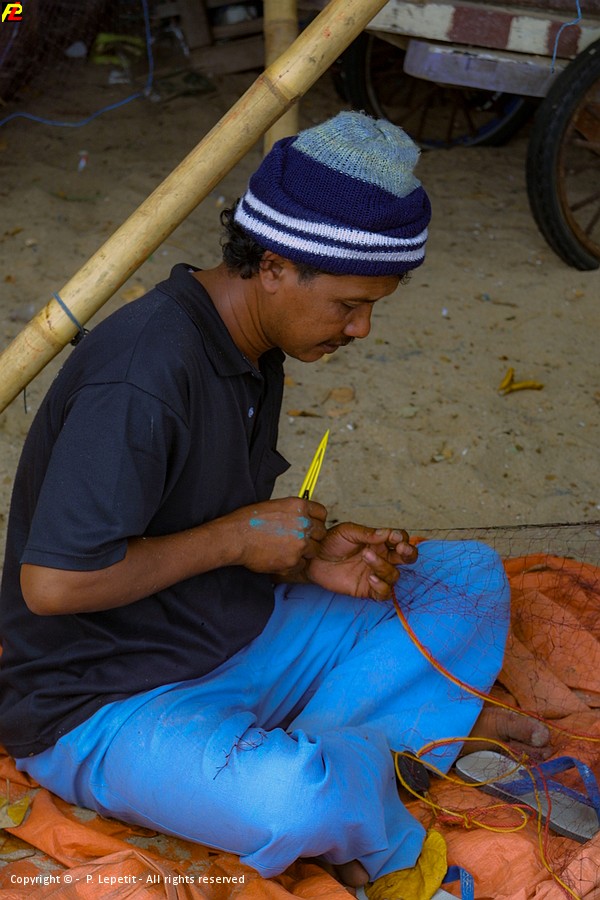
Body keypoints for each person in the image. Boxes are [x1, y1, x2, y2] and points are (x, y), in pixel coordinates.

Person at [0, 111, 548, 890]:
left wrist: (302, 558)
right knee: (295, 802)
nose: (362, 328)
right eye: (348, 304)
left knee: (467, 580)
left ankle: (348, 758)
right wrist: (237, 539)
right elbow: (52, 584)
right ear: (274, 265)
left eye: (374, 305)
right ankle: (373, 757)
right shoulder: (143, 372)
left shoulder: (253, 344)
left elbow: (195, 525)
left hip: (231, 634)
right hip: (105, 698)